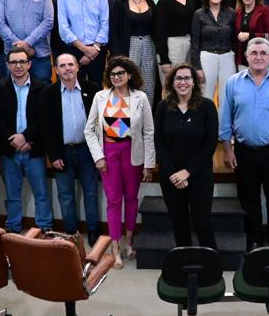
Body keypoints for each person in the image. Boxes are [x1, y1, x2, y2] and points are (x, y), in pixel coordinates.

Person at [220, 37, 269, 251]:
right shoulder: (233, 82)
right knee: (249, 199)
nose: (258, 57)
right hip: (243, 151)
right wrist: (227, 149)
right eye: (254, 53)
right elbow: (225, 118)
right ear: (246, 56)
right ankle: (254, 239)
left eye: (263, 53)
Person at [85, 56, 155, 267]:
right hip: (109, 152)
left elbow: (149, 131)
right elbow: (89, 130)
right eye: (113, 74)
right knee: (114, 200)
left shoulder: (141, 97)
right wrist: (98, 157)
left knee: (131, 198)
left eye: (121, 73)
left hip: (133, 153)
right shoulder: (100, 97)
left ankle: (129, 241)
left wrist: (149, 163)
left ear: (129, 75)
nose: (116, 77)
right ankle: (115, 246)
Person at [155, 63, 219, 248]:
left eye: (187, 78)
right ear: (172, 82)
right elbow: (159, 142)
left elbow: (210, 144)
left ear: (194, 82)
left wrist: (187, 172)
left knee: (202, 222)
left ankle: (211, 262)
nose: (183, 82)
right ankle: (184, 262)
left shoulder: (207, 106)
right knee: (178, 222)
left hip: (199, 176)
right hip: (171, 177)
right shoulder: (162, 107)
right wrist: (173, 174)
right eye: (179, 78)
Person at [0, 48, 53, 234]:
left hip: (33, 149)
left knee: (41, 194)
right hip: (9, 151)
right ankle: (13, 228)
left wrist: (25, 137)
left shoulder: (42, 87)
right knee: (12, 195)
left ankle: (44, 228)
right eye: (14, 62)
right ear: (7, 65)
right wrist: (13, 139)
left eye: (22, 62)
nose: (18, 66)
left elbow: (44, 119)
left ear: (29, 64)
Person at [40, 54, 101, 244]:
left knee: (91, 193)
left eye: (70, 64)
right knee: (66, 196)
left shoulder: (93, 89)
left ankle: (93, 231)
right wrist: (53, 155)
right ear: (56, 70)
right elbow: (46, 128)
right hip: (62, 152)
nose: (67, 68)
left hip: (87, 150)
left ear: (77, 67)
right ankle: (71, 233)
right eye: (62, 65)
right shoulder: (48, 93)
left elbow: (100, 122)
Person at [0, 0, 55, 84]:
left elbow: (48, 22)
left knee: (43, 90)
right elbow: (0, 24)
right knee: (15, 90)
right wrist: (19, 45)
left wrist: (28, 43)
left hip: (39, 55)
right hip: (13, 56)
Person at [109, 0, 157, 104]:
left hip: (149, 46)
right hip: (129, 47)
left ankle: (147, 115)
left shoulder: (150, 1)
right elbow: (113, 32)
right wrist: (118, 58)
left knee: (148, 86)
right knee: (129, 85)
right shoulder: (119, 3)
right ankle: (129, 116)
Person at [58, 0, 110, 85]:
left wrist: (94, 49)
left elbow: (105, 23)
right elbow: (63, 27)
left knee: (97, 88)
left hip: (97, 50)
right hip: (73, 50)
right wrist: (84, 49)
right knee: (73, 87)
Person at [190, 0, 237, 106]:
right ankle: (206, 120)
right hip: (207, 58)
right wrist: (197, 67)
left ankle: (223, 120)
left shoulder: (231, 13)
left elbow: (234, 39)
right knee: (205, 97)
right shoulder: (199, 14)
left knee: (226, 97)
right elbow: (195, 42)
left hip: (227, 58)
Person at [154, 0, 195, 83]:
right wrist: (164, 60)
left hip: (188, 44)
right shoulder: (163, 2)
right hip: (172, 47)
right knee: (172, 84)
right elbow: (159, 33)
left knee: (185, 84)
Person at [234, 0, 269, 70]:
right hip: (242, 59)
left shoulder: (265, 10)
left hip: (260, 59)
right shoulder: (238, 11)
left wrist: (250, 36)